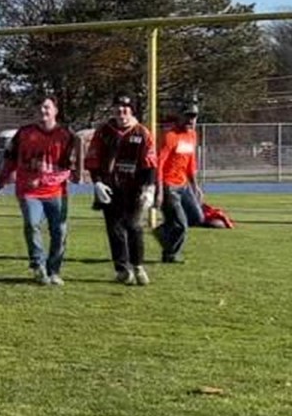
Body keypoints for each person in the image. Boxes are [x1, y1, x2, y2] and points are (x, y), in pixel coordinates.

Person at [0, 95, 81, 285]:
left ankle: (53, 270)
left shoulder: (66, 135)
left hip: (56, 191)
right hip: (29, 191)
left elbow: (70, 169)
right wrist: (0, 182)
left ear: (55, 110)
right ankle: (37, 264)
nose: (43, 111)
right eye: (39, 108)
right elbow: (10, 159)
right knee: (32, 224)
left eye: (47, 107)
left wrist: (45, 179)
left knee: (59, 231)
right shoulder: (24, 133)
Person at [85, 94, 159, 286]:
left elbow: (150, 162)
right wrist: (97, 182)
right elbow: (93, 158)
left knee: (134, 226)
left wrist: (149, 188)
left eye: (125, 108)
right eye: (118, 108)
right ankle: (122, 269)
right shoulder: (103, 132)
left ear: (132, 111)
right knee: (114, 229)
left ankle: (138, 266)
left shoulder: (142, 132)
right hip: (109, 188)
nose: (121, 112)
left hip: (134, 189)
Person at [156, 105, 204, 264]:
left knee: (197, 217)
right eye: (188, 116)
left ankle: (163, 231)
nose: (191, 120)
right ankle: (171, 254)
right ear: (180, 117)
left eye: (194, 117)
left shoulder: (192, 135)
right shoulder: (170, 136)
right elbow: (160, 163)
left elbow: (191, 162)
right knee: (181, 225)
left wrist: (195, 186)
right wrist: (160, 190)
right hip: (169, 186)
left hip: (184, 185)